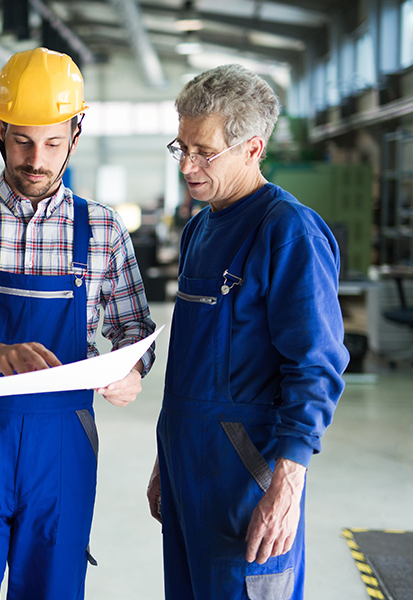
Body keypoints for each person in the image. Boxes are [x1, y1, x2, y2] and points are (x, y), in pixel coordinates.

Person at [0, 47, 156, 599]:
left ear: (76, 134)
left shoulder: (104, 230)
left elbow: (135, 331)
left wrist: (131, 371)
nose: (36, 159)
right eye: (21, 140)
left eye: (53, 143)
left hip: (60, 454)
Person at [146, 64, 349, 599]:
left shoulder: (287, 231)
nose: (186, 165)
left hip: (249, 481)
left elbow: (316, 367)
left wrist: (287, 484)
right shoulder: (199, 227)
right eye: (180, 146)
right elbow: (190, 367)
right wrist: (165, 460)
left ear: (253, 149)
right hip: (189, 471)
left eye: (203, 151)